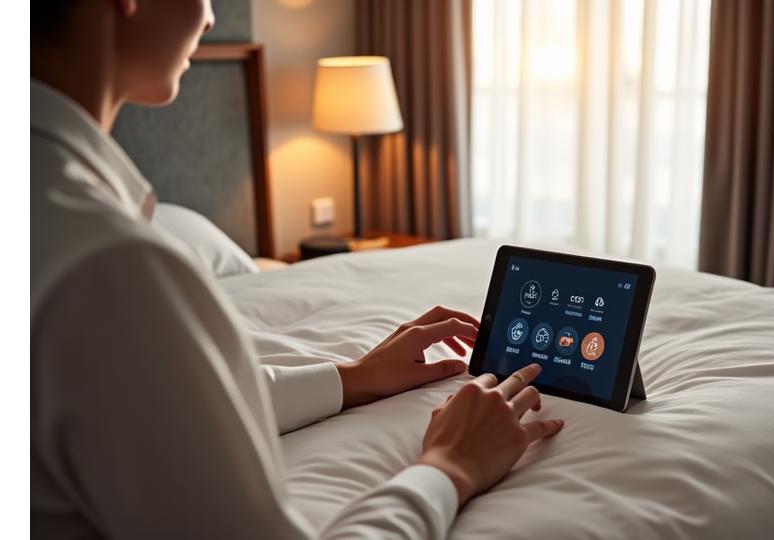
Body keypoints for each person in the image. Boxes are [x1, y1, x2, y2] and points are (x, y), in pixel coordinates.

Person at [30, 1, 564, 538]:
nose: (211, 18)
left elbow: (142, 402)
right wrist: (451, 466)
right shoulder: (110, 266)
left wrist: (357, 377)